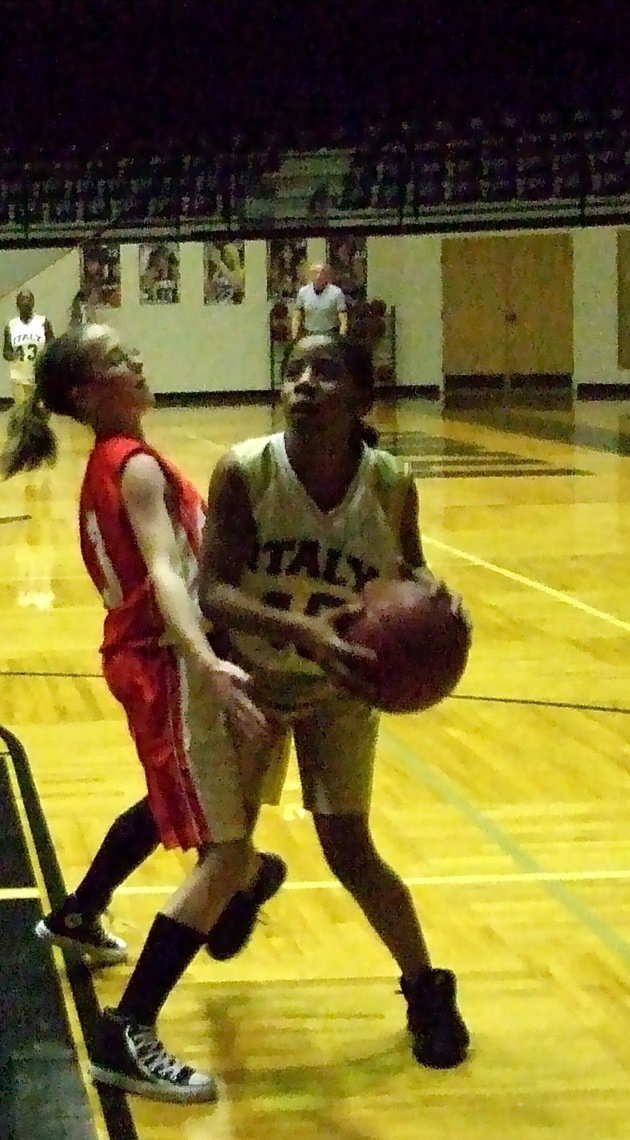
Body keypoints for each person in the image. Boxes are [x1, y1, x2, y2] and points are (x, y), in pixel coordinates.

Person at [0, 324, 314, 1104]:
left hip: (168, 658)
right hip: (169, 661)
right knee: (225, 850)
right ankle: (128, 1029)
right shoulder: (133, 467)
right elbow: (168, 575)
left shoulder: (127, 459)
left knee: (193, 807)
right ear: (83, 393)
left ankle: (91, 911)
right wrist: (205, 660)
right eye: (115, 359)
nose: (136, 360)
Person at [197, 332, 471, 1070]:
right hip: (253, 676)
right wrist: (299, 631)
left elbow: (405, 568)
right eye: (293, 372)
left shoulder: (388, 481)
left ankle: (425, 987)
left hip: (340, 685)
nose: (305, 384)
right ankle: (252, 880)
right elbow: (211, 591)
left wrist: (435, 596)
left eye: (325, 372)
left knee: (349, 848)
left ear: (360, 399)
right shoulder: (246, 471)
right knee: (221, 852)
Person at [2, 290, 54, 413]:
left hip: (39, 376)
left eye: (28, 298)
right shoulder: (11, 326)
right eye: (22, 299)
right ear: (17, 304)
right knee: (22, 413)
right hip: (19, 376)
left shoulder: (43, 322)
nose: (26, 302)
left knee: (41, 413)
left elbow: (52, 345)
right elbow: (6, 352)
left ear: (33, 302)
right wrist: (12, 355)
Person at [294, 263, 349, 339]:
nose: (318, 276)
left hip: (330, 335)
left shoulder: (336, 292)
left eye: (321, 273)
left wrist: (341, 337)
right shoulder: (303, 292)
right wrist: (295, 337)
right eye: (315, 273)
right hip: (310, 335)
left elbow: (343, 320)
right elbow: (297, 318)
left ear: (326, 275)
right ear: (310, 275)